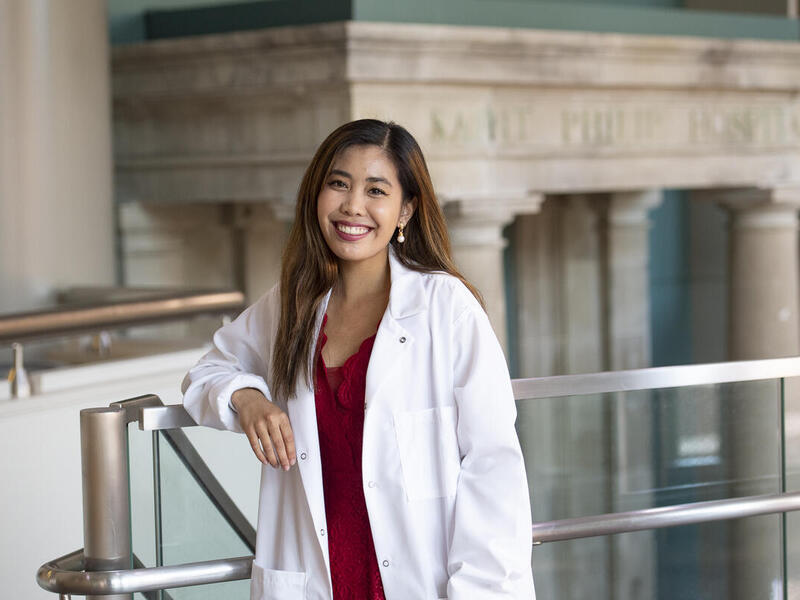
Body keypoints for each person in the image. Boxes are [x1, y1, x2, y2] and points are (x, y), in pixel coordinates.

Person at [182, 119, 536, 600]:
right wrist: (247, 398)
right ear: (317, 194)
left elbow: (492, 466)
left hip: (424, 582)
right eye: (338, 184)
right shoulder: (291, 306)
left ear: (406, 210)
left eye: (376, 190)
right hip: (318, 579)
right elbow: (207, 372)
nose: (353, 206)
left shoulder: (445, 308)